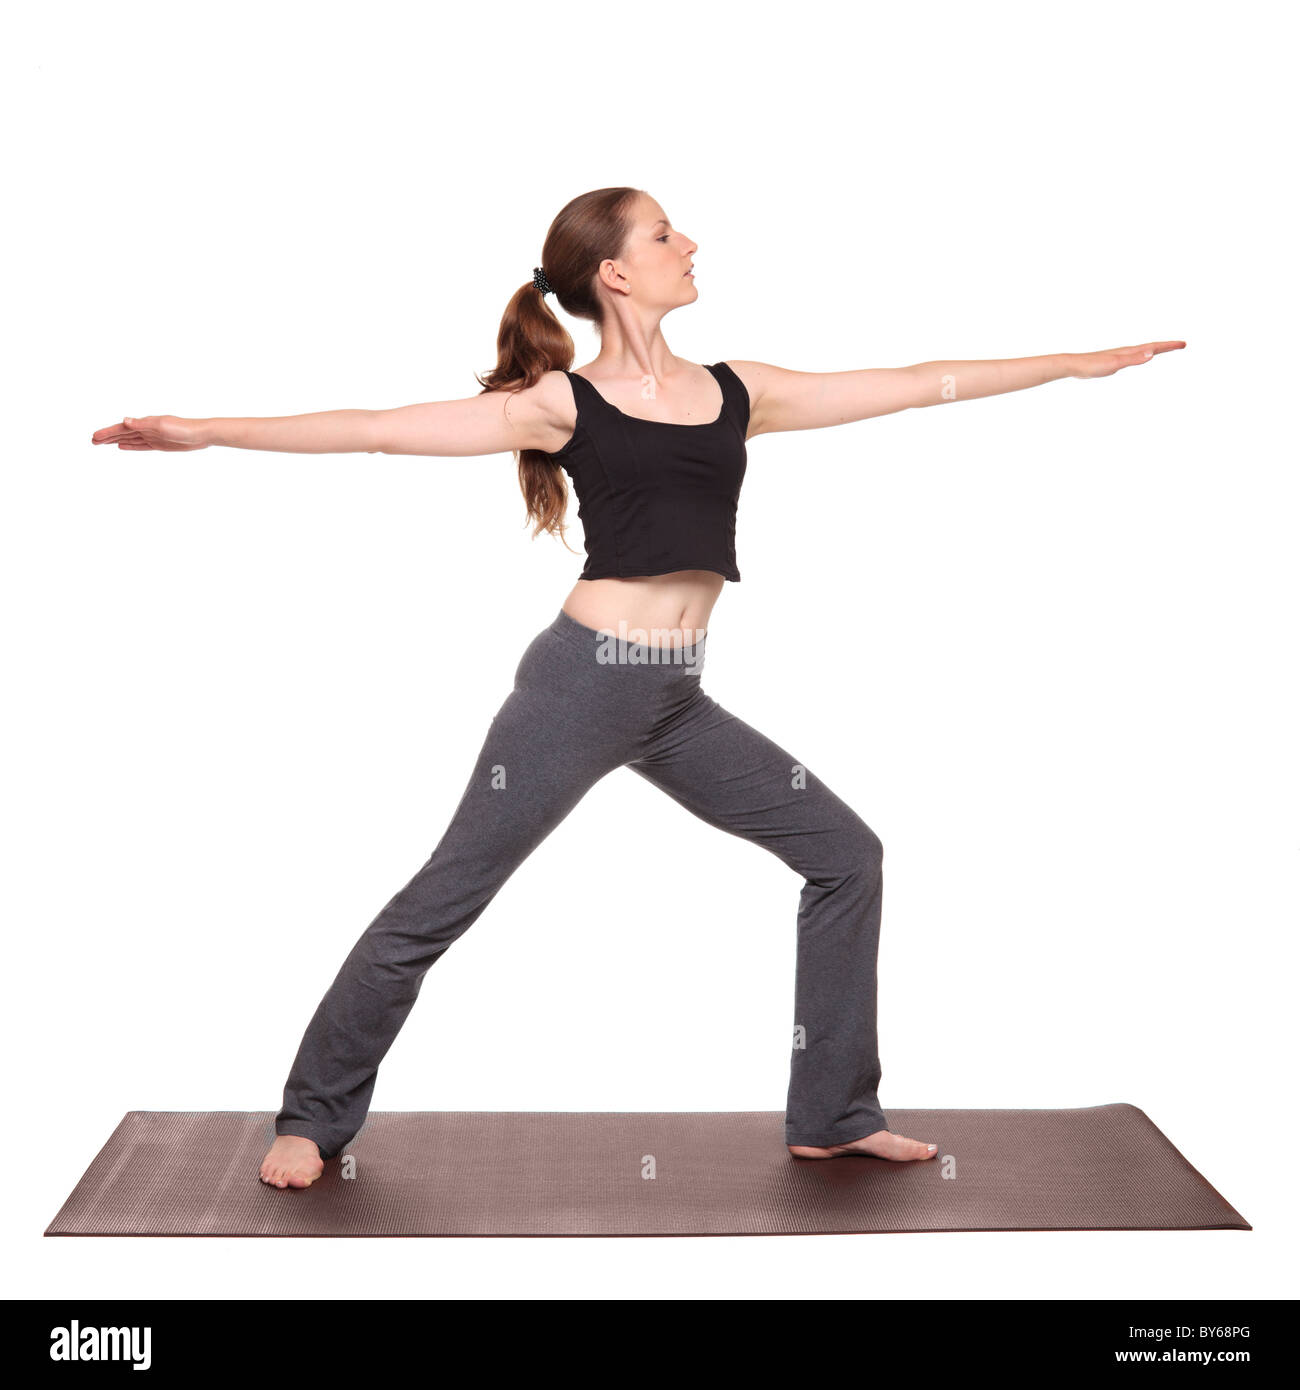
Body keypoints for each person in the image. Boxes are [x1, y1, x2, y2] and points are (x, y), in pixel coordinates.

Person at [92, 186, 1184, 1190]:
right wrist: (205, 430)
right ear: (614, 272)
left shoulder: (735, 392)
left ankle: (835, 1110)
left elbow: (910, 385)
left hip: (672, 695)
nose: (690, 242)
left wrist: (1071, 361)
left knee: (844, 854)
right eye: (665, 233)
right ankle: (312, 1118)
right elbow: (376, 430)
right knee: (445, 896)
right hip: (580, 685)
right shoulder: (556, 403)